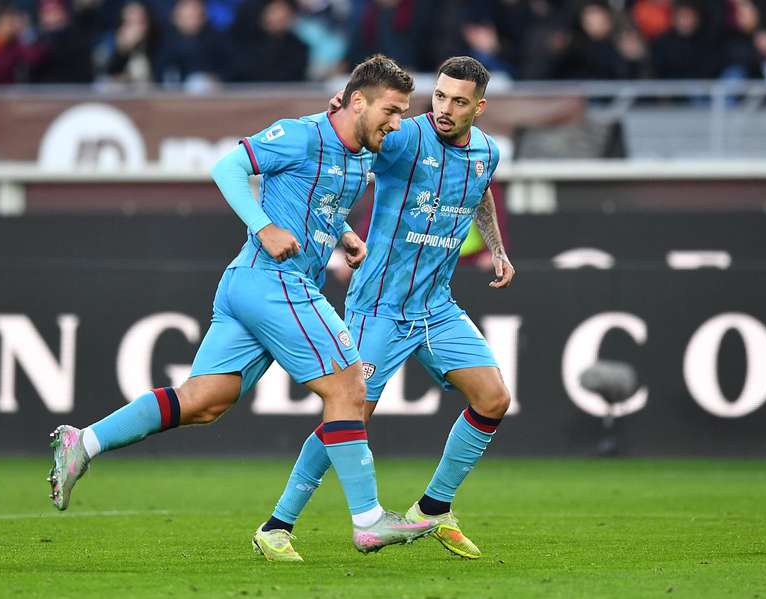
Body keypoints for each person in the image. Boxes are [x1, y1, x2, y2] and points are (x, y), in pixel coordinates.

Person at [48, 54, 437, 555]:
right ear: (357, 101)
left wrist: (344, 234)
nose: (397, 122)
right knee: (350, 385)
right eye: (391, 109)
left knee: (204, 401)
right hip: (273, 280)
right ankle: (367, 519)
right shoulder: (300, 134)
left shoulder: (358, 152)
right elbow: (228, 167)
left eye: (403, 112)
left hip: (251, 286)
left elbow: (319, 201)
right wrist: (264, 227)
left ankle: (86, 443)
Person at [254, 56, 515, 562]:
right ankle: (277, 524)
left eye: (459, 101)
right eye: (439, 96)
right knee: (348, 415)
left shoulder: (487, 151)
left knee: (493, 398)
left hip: (437, 308)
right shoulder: (401, 139)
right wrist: (337, 113)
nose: (444, 108)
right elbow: (351, 140)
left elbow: (479, 193)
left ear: (479, 107)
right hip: (378, 308)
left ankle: (433, 507)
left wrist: (498, 248)